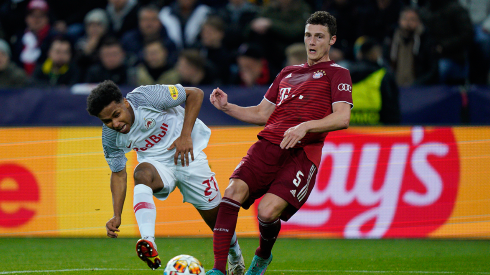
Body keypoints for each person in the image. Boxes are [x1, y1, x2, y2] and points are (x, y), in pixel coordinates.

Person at [206, 11, 353, 275]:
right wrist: (228, 107)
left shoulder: (338, 74)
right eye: (308, 35)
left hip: (301, 153)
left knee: (267, 212)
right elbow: (262, 114)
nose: (312, 42)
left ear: (331, 40)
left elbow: (342, 117)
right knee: (231, 193)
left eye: (319, 36)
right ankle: (218, 270)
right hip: (267, 146)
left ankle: (262, 256)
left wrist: (305, 126)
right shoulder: (287, 72)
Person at [86, 80, 245, 274]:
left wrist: (185, 135)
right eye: (107, 121)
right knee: (141, 173)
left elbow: (195, 93)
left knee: (217, 220)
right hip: (157, 165)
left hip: (189, 156)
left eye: (116, 115)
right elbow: (118, 174)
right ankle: (148, 241)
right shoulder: (110, 137)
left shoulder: (147, 97)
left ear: (125, 102)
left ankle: (235, 256)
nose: (115, 124)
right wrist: (117, 214)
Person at [349, 37, 400, 125]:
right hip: (376, 133)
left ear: (360, 54)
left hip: (348, 133)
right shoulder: (383, 76)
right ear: (375, 53)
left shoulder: (344, 75)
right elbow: (391, 112)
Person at [384, 6, 438, 87]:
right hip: (395, 88)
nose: (408, 23)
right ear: (399, 21)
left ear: (419, 22)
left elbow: (432, 70)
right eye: (405, 19)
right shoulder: (391, 40)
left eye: (412, 19)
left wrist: (417, 84)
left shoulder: (426, 41)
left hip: (418, 89)